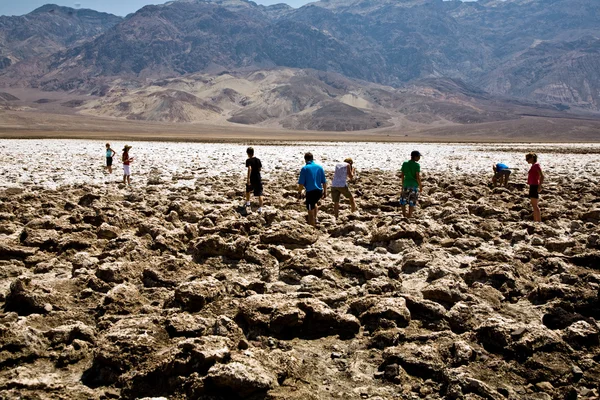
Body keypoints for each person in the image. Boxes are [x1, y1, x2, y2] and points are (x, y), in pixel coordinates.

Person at [298, 152, 327, 227]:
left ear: (305, 159)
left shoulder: (305, 168)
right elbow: (324, 182)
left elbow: (301, 183)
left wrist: (299, 192)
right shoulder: (319, 167)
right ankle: (315, 218)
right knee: (314, 203)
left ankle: (312, 226)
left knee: (310, 210)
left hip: (311, 192)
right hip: (319, 191)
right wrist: (325, 192)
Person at [399, 150, 422, 218]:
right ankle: (409, 215)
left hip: (406, 184)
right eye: (418, 156)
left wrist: (403, 185)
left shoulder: (405, 163)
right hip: (414, 186)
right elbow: (417, 177)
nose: (419, 158)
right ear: (414, 157)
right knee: (412, 201)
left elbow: (402, 175)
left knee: (403, 200)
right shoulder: (417, 165)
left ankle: (404, 214)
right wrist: (420, 186)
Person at [526, 152, 544, 222]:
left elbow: (542, 176)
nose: (526, 160)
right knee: (534, 205)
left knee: (535, 206)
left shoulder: (536, 165)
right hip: (532, 185)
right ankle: (536, 220)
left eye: (528, 158)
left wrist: (540, 186)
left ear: (532, 158)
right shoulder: (534, 165)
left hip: (534, 185)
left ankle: (538, 221)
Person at [245, 147, 264, 212]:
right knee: (260, 193)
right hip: (258, 177)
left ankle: (248, 202)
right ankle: (260, 208)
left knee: (248, 190)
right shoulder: (258, 160)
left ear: (248, 153)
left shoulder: (248, 160)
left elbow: (249, 168)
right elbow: (259, 169)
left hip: (252, 177)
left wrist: (248, 178)